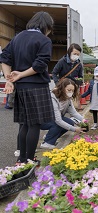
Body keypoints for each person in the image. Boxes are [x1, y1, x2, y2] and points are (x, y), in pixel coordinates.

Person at [0, 11, 55, 164]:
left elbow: (4, 58)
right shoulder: (44, 40)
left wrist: (9, 79)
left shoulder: (17, 37)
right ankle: (30, 159)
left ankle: (21, 159)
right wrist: (20, 75)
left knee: (24, 123)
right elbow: (39, 65)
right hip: (36, 86)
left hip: (21, 88)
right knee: (35, 124)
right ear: (46, 26)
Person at [40, 79, 86, 149]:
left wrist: (83, 120)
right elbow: (58, 120)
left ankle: (49, 137)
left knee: (70, 122)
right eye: (69, 90)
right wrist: (75, 129)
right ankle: (47, 143)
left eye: (72, 90)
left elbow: (73, 112)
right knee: (59, 123)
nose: (71, 92)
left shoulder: (68, 98)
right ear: (62, 88)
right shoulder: (53, 97)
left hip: (53, 119)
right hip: (43, 119)